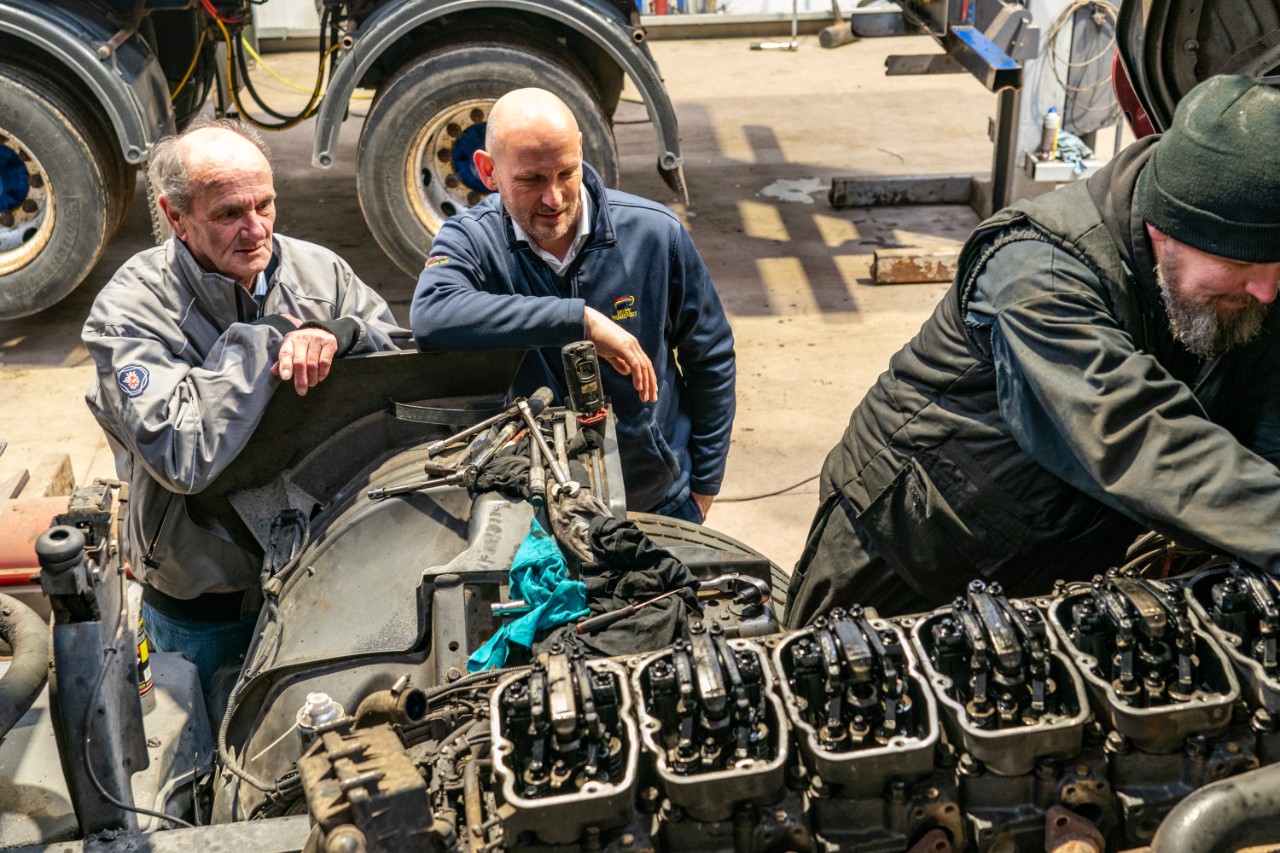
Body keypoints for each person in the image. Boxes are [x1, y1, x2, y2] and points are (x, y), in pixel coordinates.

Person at [784, 74, 1280, 627]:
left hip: (1068, 557)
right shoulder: (1036, 275)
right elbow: (1134, 438)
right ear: (1164, 229)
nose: (1266, 289)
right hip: (914, 558)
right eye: (1242, 267)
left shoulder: (1232, 268)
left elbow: (1265, 421)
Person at [82, 118, 405, 707]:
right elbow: (182, 453)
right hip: (206, 600)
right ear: (176, 217)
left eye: (266, 204)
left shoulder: (319, 273)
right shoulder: (129, 314)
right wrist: (266, 341)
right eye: (230, 213)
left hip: (329, 573)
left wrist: (346, 332)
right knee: (198, 765)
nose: (256, 230)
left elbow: (399, 361)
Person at [411, 88, 735, 522]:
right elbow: (432, 317)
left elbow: (710, 357)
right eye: (531, 180)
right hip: (533, 511)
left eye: (566, 172)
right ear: (488, 172)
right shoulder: (471, 240)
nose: (555, 198)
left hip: (657, 502)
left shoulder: (655, 233)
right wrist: (578, 321)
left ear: (580, 150)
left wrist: (704, 485)